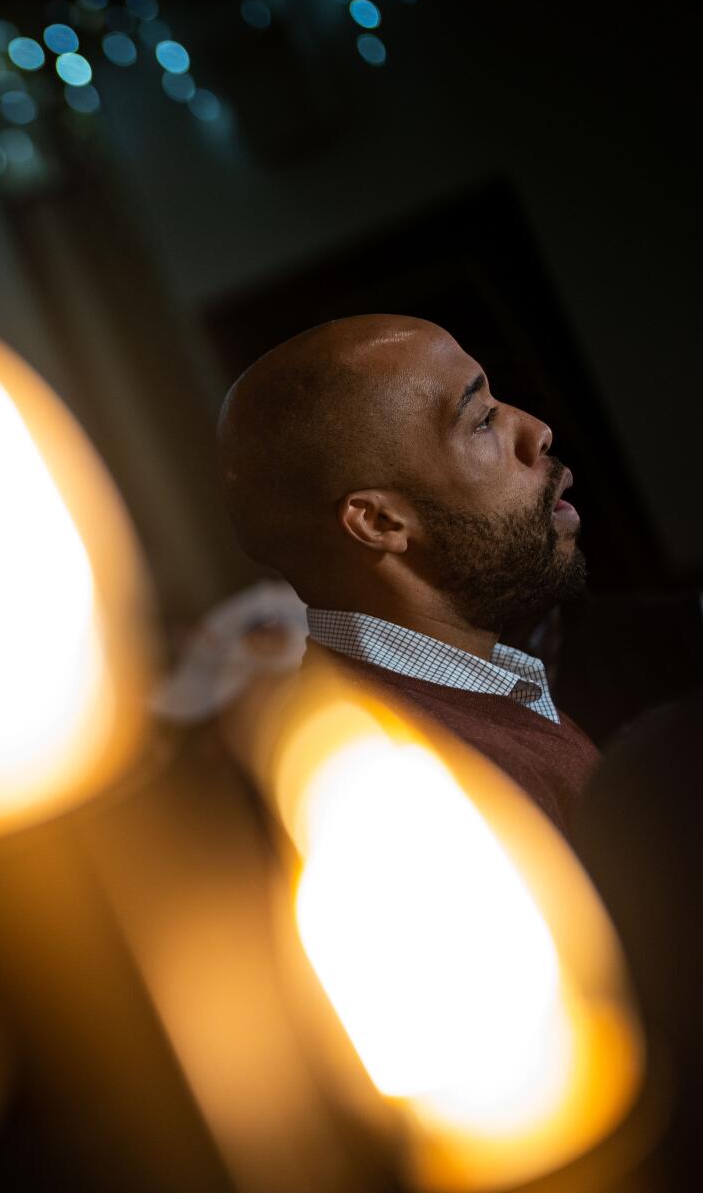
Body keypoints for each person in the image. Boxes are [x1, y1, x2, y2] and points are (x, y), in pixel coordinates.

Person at [216, 314, 597, 828]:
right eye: (482, 421)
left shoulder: (478, 697)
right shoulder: (418, 787)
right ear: (378, 521)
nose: (536, 433)